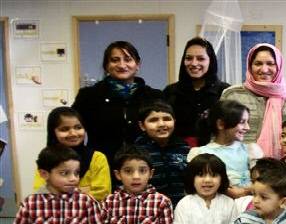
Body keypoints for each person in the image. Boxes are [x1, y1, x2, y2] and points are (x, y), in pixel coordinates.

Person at [72, 41, 163, 169]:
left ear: (137, 64)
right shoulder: (88, 96)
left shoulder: (153, 96)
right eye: (115, 60)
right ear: (106, 66)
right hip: (102, 166)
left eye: (128, 59)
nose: (122, 65)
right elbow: (73, 130)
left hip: (144, 166)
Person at [220, 43, 286, 158]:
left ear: (278, 66)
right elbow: (219, 133)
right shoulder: (232, 94)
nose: (264, 69)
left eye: (270, 64)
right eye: (258, 63)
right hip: (237, 165)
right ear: (250, 66)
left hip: (281, 168)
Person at [33, 107, 111, 201]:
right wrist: (84, 190)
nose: (73, 133)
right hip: (53, 212)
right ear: (53, 132)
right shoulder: (48, 158)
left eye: (78, 127)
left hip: (89, 213)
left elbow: (102, 193)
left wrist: (60, 191)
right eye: (64, 129)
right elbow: (41, 191)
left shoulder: (97, 158)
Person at [163, 37, 229, 147]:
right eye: (188, 58)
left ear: (210, 61)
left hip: (215, 155)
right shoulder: (170, 92)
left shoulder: (225, 92)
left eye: (200, 59)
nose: (194, 63)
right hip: (178, 154)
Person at [188, 100, 258, 199]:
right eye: (242, 122)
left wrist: (246, 191)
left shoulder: (251, 150)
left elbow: (264, 180)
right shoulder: (201, 153)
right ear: (221, 124)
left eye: (247, 122)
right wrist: (226, 190)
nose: (247, 127)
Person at [135, 100, 189, 206]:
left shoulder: (184, 148)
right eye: (153, 120)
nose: (161, 124)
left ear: (174, 121)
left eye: (167, 119)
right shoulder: (136, 153)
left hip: (181, 209)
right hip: (150, 210)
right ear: (142, 125)